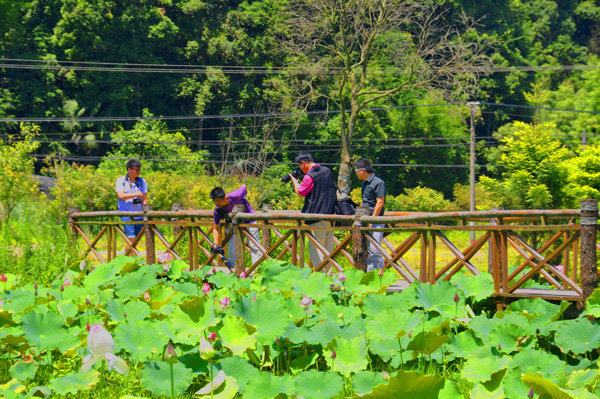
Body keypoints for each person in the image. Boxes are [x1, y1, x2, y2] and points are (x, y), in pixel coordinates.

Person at [289, 151, 337, 273]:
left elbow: (300, 193)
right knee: (328, 249)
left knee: (317, 249)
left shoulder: (310, 176)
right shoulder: (326, 171)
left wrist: (295, 181)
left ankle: (321, 278)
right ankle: (329, 277)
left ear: (304, 163)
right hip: (331, 216)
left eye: (300, 165)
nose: (300, 169)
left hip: (316, 217)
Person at [210, 185, 261, 266]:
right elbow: (216, 228)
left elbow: (244, 186)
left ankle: (257, 270)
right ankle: (233, 270)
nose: (216, 204)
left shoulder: (236, 195)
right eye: (214, 201)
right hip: (233, 224)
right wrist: (215, 244)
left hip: (249, 220)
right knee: (232, 247)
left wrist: (243, 199)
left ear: (225, 197)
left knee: (254, 246)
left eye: (218, 201)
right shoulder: (217, 210)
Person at [354, 158, 386, 271]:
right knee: (366, 248)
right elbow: (364, 201)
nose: (356, 173)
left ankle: (380, 271)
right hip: (365, 219)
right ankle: (370, 273)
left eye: (356, 171)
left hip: (376, 220)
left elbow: (380, 202)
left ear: (362, 170)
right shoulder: (364, 183)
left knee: (375, 248)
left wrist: (372, 220)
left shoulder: (378, 182)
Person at [115, 159, 148, 239]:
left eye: (139, 170)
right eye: (136, 170)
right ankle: (130, 251)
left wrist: (146, 213)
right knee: (131, 238)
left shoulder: (142, 181)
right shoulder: (121, 180)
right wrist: (136, 194)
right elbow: (121, 196)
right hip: (126, 214)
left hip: (139, 214)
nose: (138, 172)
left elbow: (144, 199)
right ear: (129, 169)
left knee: (137, 238)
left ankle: (128, 251)